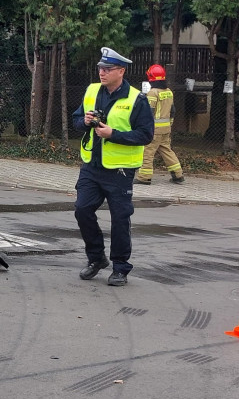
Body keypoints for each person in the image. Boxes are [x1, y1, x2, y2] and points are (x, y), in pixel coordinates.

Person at [70, 47, 154, 287]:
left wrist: (112, 134)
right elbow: (76, 120)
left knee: (120, 219)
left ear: (121, 71)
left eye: (107, 69)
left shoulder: (136, 99)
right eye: (100, 68)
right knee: (82, 210)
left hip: (119, 170)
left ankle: (120, 268)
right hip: (91, 166)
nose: (102, 73)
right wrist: (84, 122)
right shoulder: (92, 90)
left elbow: (145, 135)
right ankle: (96, 259)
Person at [136, 64, 185, 185]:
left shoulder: (153, 93)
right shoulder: (168, 92)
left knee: (147, 151)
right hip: (166, 128)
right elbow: (173, 110)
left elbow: (149, 111)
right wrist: (170, 124)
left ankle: (144, 177)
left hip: (154, 129)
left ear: (150, 77)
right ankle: (178, 175)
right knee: (167, 150)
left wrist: (144, 126)